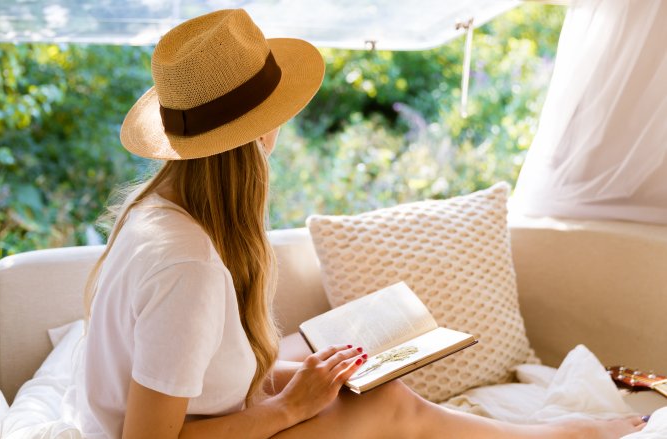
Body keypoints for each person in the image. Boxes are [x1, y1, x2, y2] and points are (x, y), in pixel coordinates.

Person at [78, 8, 645, 439]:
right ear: (255, 135)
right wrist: (289, 407)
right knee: (386, 404)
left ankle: (556, 434)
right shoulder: (189, 266)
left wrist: (296, 380)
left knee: (363, 384)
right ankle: (563, 436)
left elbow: (192, 382)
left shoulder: (155, 213)